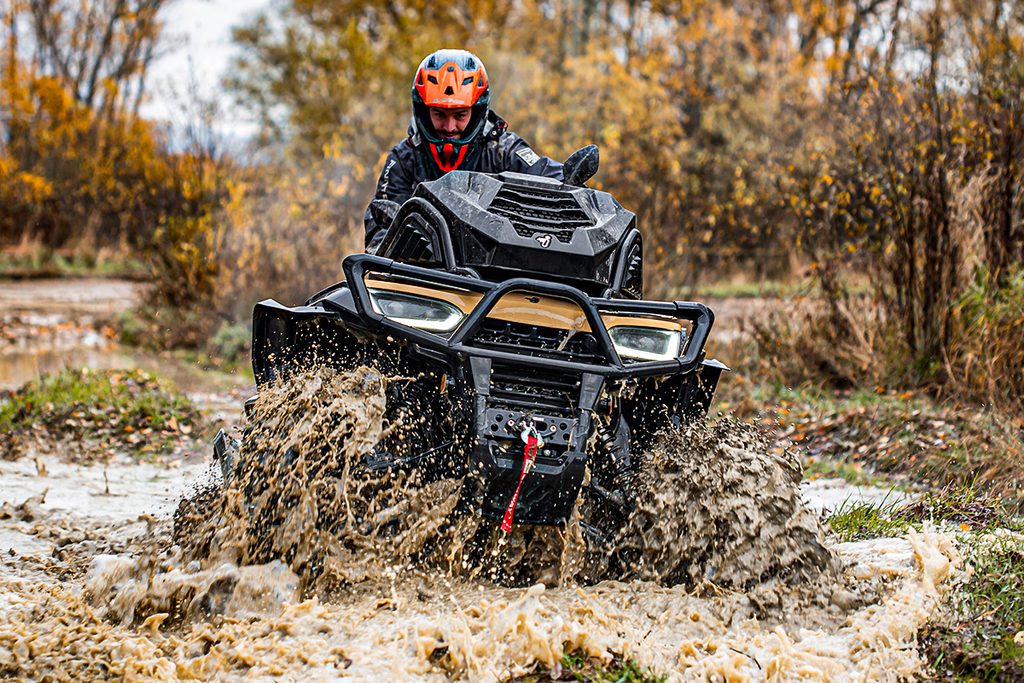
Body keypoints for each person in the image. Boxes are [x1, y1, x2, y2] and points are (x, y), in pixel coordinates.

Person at [364, 49, 563, 251]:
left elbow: (554, 179)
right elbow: (378, 237)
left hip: (501, 267)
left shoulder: (504, 152)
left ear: (476, 112)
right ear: (423, 110)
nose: (449, 127)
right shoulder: (404, 158)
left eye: (460, 115)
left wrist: (571, 176)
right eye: (439, 114)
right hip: (423, 267)